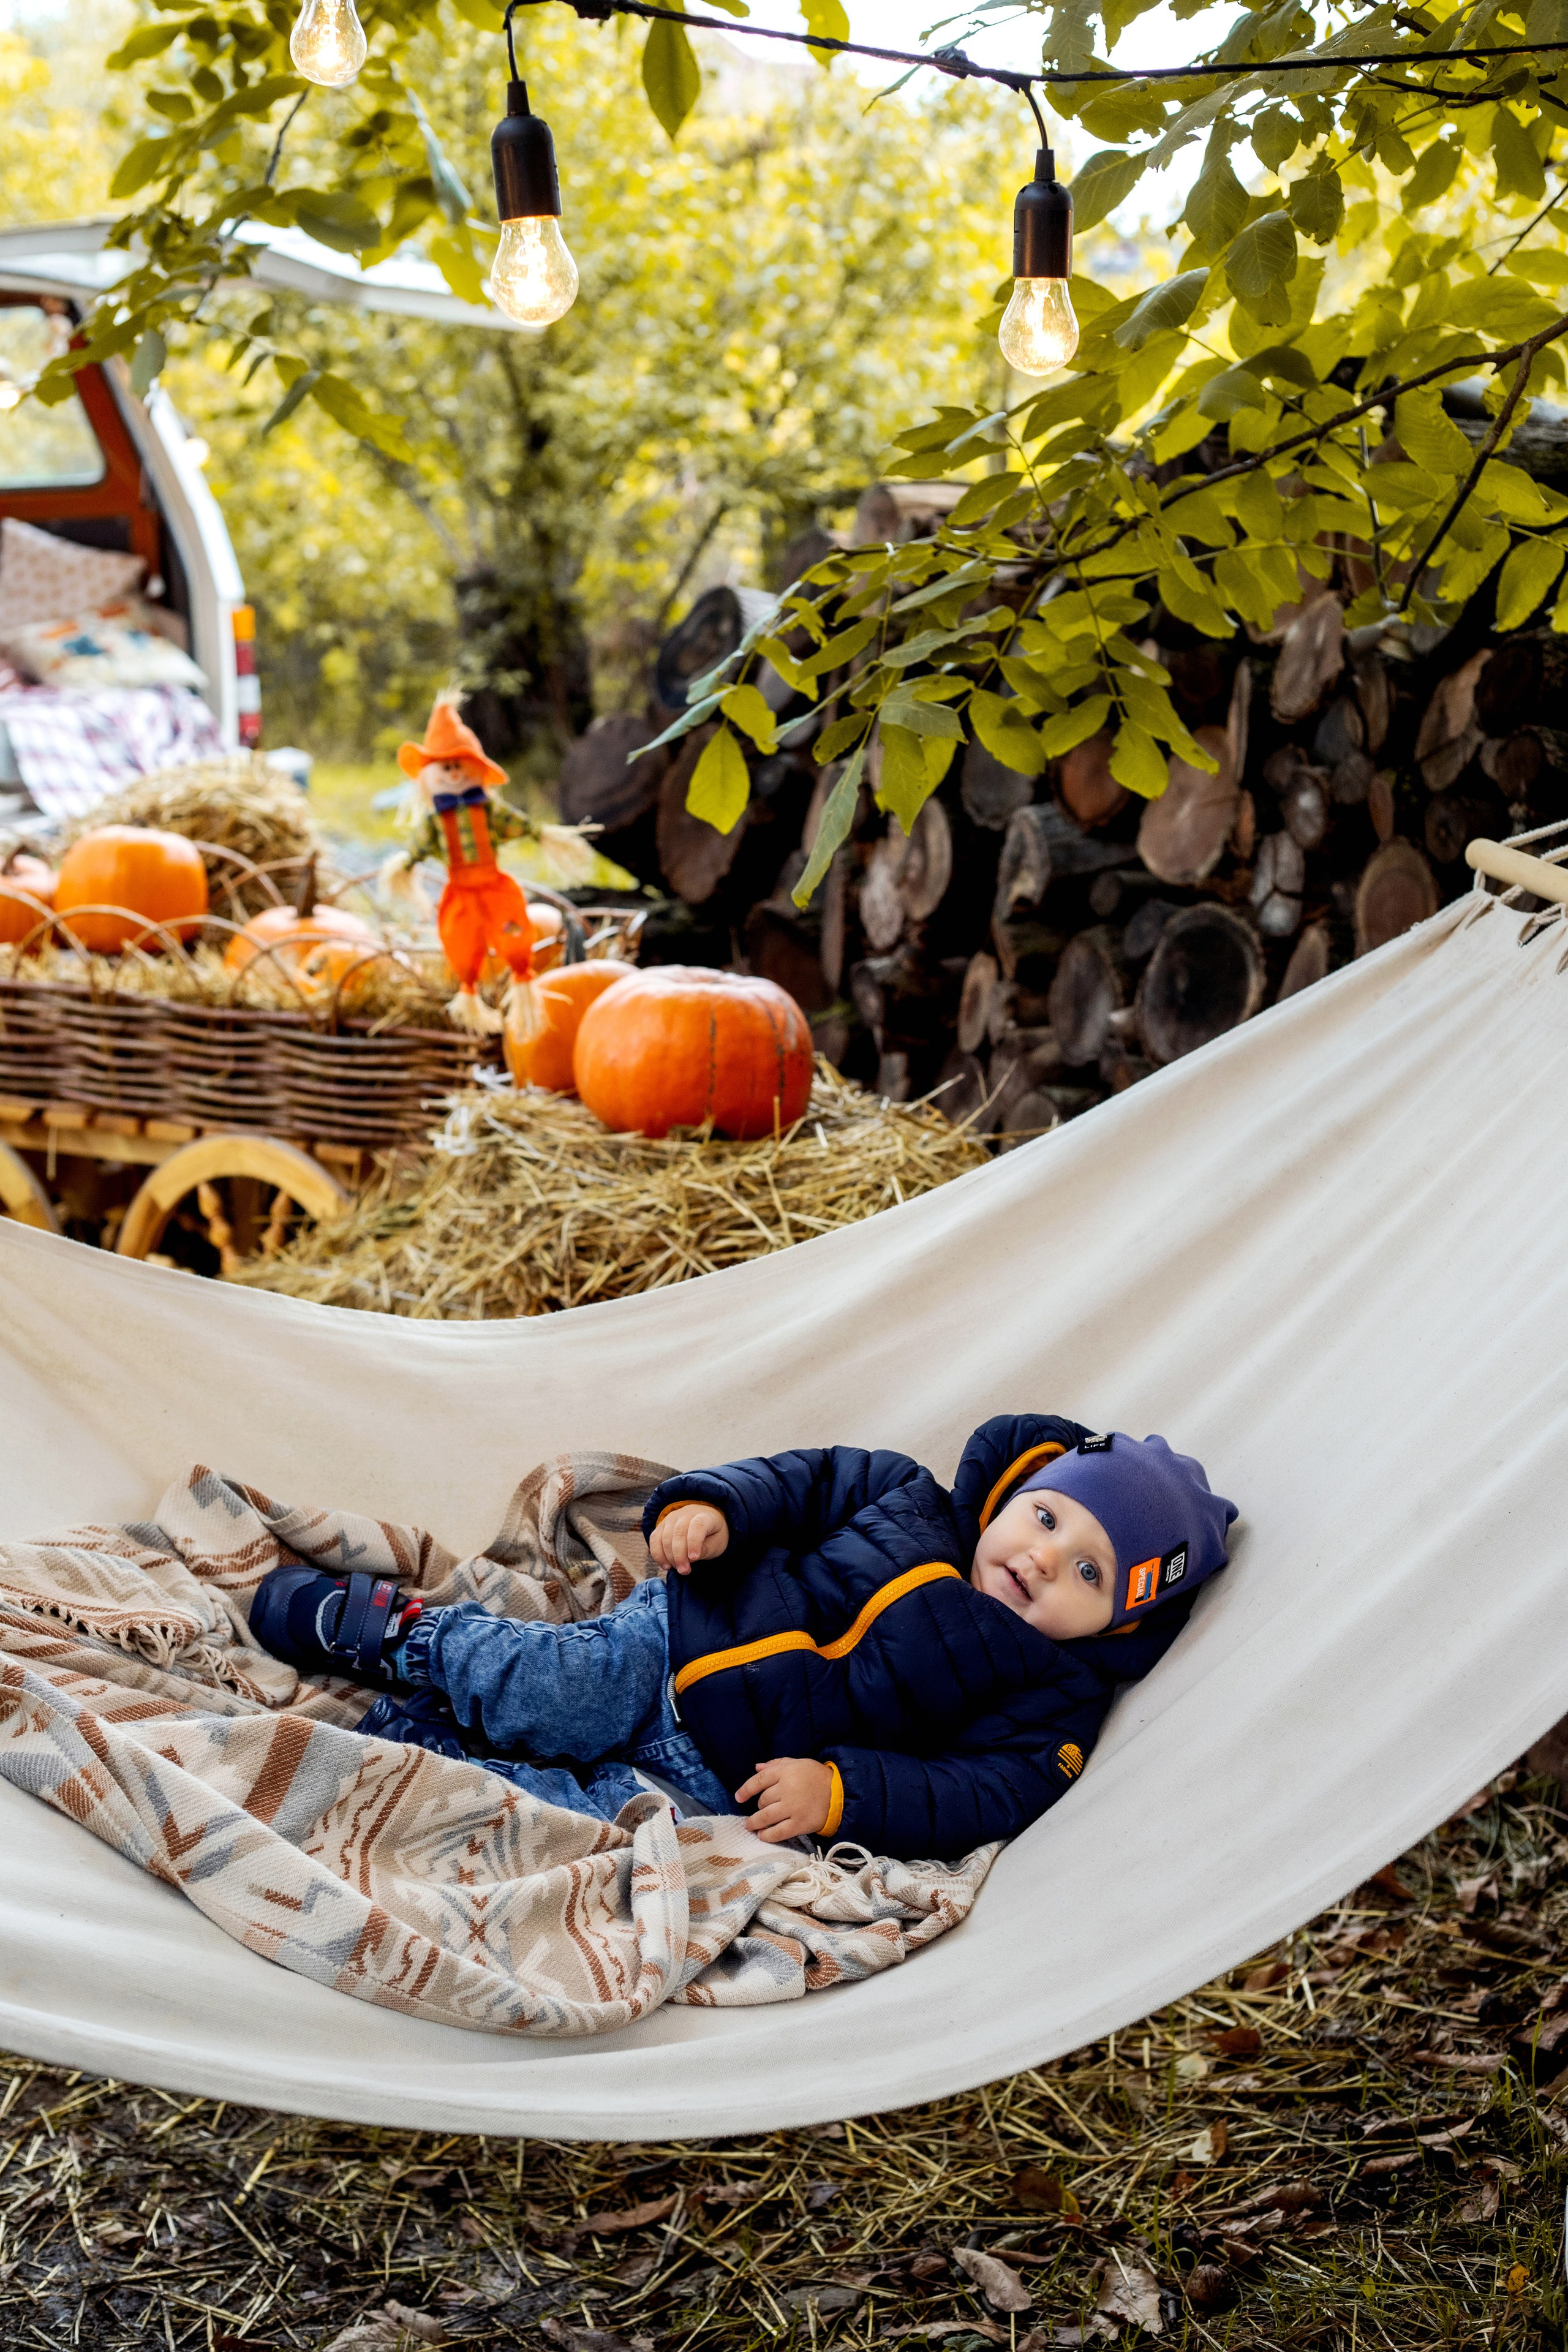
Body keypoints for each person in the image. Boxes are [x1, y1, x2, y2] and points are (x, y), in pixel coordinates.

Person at [247, 1415, 1236, 1860]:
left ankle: (418, 1755)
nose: (1046, 1559)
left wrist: (843, 1793)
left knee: (588, 1819)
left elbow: (982, 1793)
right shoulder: (908, 1495)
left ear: (1124, 1620)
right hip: (682, 1635)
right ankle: (398, 1635)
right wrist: (713, 1508)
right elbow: (793, 1482)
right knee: (553, 1684)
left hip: (732, 1774)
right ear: (1022, 1489)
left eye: (1093, 1575)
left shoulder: (1053, 1702)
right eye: (1052, 1520)